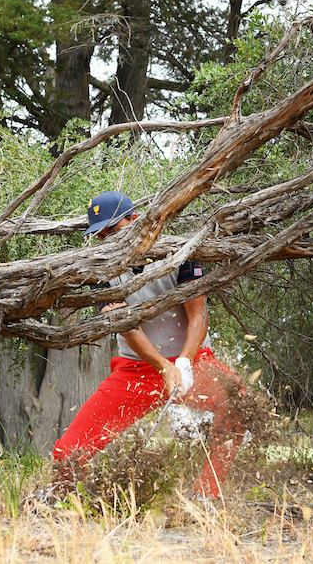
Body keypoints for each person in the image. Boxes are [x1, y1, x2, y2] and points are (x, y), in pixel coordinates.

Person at [52, 191, 243, 498]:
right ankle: (58, 502)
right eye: (101, 235)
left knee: (240, 409)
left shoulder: (179, 252)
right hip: (136, 371)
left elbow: (198, 315)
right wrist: (164, 367)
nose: (107, 239)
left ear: (135, 220)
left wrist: (183, 363)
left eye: (113, 230)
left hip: (194, 362)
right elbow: (127, 327)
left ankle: (204, 498)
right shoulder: (99, 270)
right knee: (67, 452)